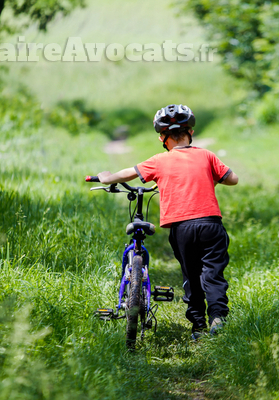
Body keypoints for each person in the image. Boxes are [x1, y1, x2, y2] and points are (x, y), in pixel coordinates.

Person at [96, 104, 239, 339]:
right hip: (211, 224)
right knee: (212, 274)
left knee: (191, 276)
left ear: (163, 137)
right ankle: (217, 318)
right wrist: (210, 177)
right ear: (190, 133)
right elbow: (232, 179)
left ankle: (198, 327)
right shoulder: (206, 155)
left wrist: (107, 177)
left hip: (181, 227)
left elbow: (128, 173)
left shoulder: (160, 160)